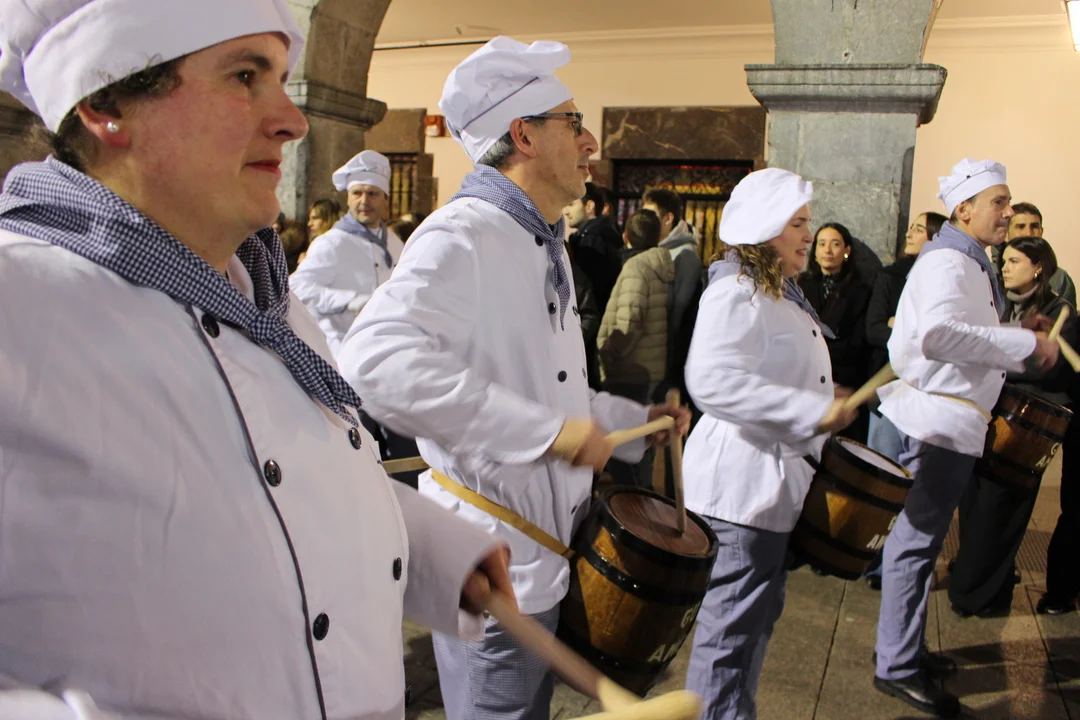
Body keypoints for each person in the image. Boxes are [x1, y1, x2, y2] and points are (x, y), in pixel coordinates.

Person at [0, 3, 513, 719]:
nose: (292, 121)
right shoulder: (18, 306)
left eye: (279, 78)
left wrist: (430, 551)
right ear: (106, 104)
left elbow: (279, 481)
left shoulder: (262, 292)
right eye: (245, 76)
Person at [335, 36, 689, 720]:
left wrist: (632, 423)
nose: (590, 142)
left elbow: (551, 389)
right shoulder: (462, 234)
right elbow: (373, 361)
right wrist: (547, 434)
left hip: (547, 558)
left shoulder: (541, 239)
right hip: (494, 565)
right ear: (523, 134)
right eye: (574, 122)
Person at [872, 159, 1059, 718]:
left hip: (949, 420)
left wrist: (1015, 331)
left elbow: (964, 331)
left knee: (921, 543)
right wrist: (1023, 345)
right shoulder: (949, 261)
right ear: (963, 209)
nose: (1008, 212)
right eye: (999, 202)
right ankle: (896, 665)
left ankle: (903, 649)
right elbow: (939, 335)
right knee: (915, 543)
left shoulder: (965, 260)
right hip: (937, 423)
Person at [682, 168, 857, 720]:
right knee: (729, 641)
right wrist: (811, 410)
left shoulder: (772, 290)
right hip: (742, 494)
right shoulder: (737, 290)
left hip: (766, 491)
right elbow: (712, 379)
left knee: (749, 631)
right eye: (797, 223)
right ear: (764, 226)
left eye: (808, 222)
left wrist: (822, 399)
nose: (809, 235)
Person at [949, 236, 1078, 617]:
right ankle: (974, 587)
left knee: (1001, 509)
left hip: (1025, 427)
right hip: (986, 415)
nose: (1004, 268)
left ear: (1038, 267)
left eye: (1014, 261)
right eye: (1003, 261)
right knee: (974, 505)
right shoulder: (997, 303)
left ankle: (983, 594)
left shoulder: (1059, 311)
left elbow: (1049, 369)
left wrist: (1002, 356)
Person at [291, 150, 405, 357]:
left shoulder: (395, 243)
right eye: (357, 193)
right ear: (348, 199)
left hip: (385, 350)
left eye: (373, 194)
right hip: (341, 353)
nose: (364, 201)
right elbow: (298, 288)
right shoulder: (332, 242)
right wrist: (350, 301)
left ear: (385, 199)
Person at [598, 209, 673, 487]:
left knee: (629, 447)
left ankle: (634, 503)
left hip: (631, 367)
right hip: (649, 365)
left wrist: (611, 353)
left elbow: (629, 319)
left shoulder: (636, 267)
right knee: (642, 441)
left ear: (626, 236)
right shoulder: (660, 264)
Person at [865, 211, 947, 464]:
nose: (909, 234)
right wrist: (913, 335)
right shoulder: (890, 277)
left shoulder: (943, 279)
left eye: (919, 229)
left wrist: (900, 326)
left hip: (928, 389)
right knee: (882, 463)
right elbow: (874, 329)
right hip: (890, 384)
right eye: (911, 227)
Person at [799, 221, 874, 441]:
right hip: (806, 380)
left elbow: (859, 341)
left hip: (843, 382)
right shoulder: (799, 286)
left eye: (835, 244)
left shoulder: (860, 291)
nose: (828, 251)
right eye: (822, 244)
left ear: (847, 250)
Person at [991, 201, 1077, 306]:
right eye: (1020, 227)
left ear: (1041, 231)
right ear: (1006, 233)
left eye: (1034, 226)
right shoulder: (990, 274)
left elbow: (1067, 314)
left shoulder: (1059, 278)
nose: (1028, 233)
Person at [564, 181, 623, 313]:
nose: (566, 211)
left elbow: (587, 290)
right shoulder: (602, 234)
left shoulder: (592, 240)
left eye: (571, 204)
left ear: (589, 206)